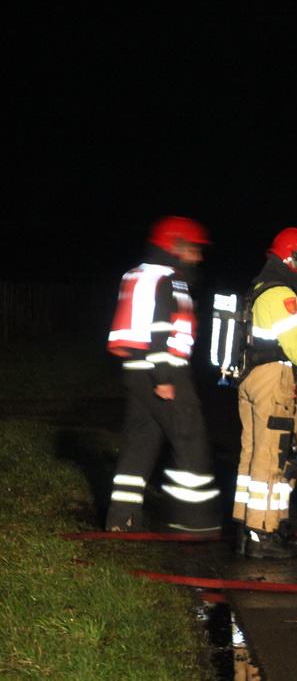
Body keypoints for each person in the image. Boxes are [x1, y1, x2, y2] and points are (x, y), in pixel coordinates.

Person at [106, 216, 220, 533]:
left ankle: (121, 519)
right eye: (194, 249)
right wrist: (164, 378)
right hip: (164, 368)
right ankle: (192, 522)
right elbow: (159, 328)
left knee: (139, 444)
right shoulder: (170, 278)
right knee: (190, 439)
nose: (197, 256)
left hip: (134, 369)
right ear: (176, 246)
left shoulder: (136, 274)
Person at [232, 227, 297, 558]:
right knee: (272, 454)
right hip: (273, 380)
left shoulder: (259, 288)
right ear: (295, 260)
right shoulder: (282, 294)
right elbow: (296, 349)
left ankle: (249, 528)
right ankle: (262, 534)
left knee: (253, 453)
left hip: (251, 378)